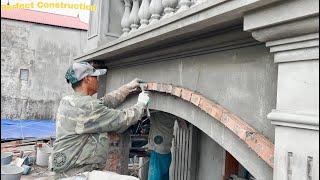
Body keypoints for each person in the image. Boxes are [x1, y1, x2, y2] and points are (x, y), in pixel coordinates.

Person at [51, 62, 150, 179]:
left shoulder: (68, 101)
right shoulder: (88, 107)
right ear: (87, 79)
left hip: (68, 172)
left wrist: (127, 88)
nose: (98, 80)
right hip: (77, 174)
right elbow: (122, 119)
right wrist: (141, 105)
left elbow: (104, 102)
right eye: (95, 77)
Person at [147, 112, 187, 180]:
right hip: (167, 153)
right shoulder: (173, 111)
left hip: (157, 153)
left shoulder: (156, 111)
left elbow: (144, 111)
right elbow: (184, 126)